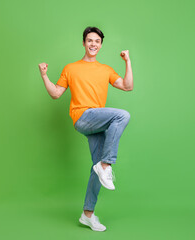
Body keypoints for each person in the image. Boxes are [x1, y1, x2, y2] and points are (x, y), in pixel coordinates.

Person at [38, 26, 133, 231]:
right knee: (122, 115)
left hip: (97, 121)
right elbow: (56, 93)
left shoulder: (106, 69)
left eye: (97, 41)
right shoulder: (71, 68)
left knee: (95, 169)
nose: (93, 44)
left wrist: (127, 62)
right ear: (84, 43)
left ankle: (87, 214)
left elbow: (128, 86)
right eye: (89, 40)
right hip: (82, 116)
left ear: (100, 45)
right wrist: (44, 75)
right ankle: (107, 165)